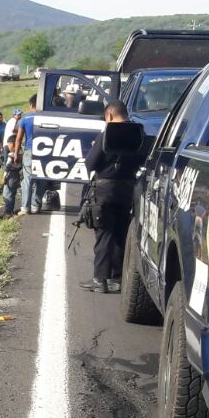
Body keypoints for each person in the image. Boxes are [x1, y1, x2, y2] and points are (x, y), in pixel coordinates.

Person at [80, 101, 146, 293]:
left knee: (104, 235)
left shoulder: (107, 134)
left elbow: (90, 163)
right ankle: (117, 278)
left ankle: (100, 279)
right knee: (120, 233)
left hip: (104, 190)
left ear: (109, 116)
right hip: (126, 190)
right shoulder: (138, 133)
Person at [18, 95, 50, 214]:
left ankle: (25, 208)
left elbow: (19, 138)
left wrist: (16, 153)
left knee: (27, 179)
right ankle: (35, 205)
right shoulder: (47, 117)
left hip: (29, 150)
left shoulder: (25, 118)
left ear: (31, 105)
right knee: (41, 179)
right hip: (45, 151)